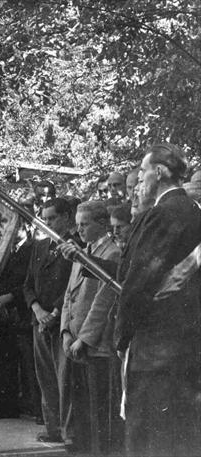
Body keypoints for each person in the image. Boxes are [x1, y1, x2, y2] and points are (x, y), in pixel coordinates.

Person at [114, 144, 201, 456]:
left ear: (160, 172)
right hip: (190, 347)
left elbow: (135, 282)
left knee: (149, 438)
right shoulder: (196, 212)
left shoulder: (161, 214)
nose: (141, 178)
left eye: (144, 170)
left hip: (153, 350)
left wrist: (120, 337)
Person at [58, 202, 122, 453]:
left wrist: (83, 339)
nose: (79, 229)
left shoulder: (111, 253)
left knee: (99, 415)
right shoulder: (82, 251)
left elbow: (103, 302)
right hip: (73, 342)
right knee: (81, 413)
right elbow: (68, 295)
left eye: (85, 224)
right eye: (78, 224)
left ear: (101, 224)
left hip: (95, 346)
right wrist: (65, 332)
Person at [23, 198, 75, 443]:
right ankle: (52, 428)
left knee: (64, 378)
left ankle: (68, 432)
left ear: (66, 217)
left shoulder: (76, 246)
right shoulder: (40, 247)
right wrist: (37, 310)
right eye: (44, 218)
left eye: (52, 218)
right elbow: (28, 284)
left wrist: (53, 313)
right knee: (45, 377)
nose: (47, 223)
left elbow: (72, 286)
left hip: (61, 321)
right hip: (40, 321)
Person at [0, 220, 40, 421]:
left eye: (16, 226)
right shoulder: (3, 250)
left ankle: (37, 409)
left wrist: (9, 297)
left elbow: (30, 282)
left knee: (29, 365)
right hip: (0, 314)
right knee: (2, 362)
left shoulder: (31, 249)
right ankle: (7, 405)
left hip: (22, 312)